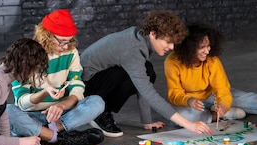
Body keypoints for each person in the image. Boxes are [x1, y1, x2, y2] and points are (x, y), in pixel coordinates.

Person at [81, 10, 212, 136]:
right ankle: (99, 112)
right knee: (127, 73)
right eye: (168, 42)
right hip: (85, 85)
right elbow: (147, 92)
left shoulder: (140, 38)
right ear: (153, 34)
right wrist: (189, 124)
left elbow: (144, 82)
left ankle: (103, 109)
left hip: (99, 78)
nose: (172, 47)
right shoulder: (132, 50)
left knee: (147, 70)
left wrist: (147, 121)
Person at [6, 10, 105, 145]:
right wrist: (44, 93)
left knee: (97, 102)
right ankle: (58, 138)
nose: (65, 47)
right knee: (7, 111)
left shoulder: (71, 52)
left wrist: (61, 105)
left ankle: (47, 134)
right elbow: (22, 102)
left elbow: (77, 87)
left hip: (61, 116)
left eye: (69, 41)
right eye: (61, 42)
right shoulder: (25, 54)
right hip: (33, 115)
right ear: (46, 35)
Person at [164, 23, 257, 123]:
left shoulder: (212, 59)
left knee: (251, 101)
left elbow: (222, 89)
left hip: (213, 96)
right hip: (189, 102)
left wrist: (223, 105)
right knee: (176, 117)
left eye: (208, 46)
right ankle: (215, 116)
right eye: (202, 47)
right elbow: (174, 94)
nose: (207, 51)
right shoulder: (172, 62)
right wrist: (189, 100)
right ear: (188, 48)